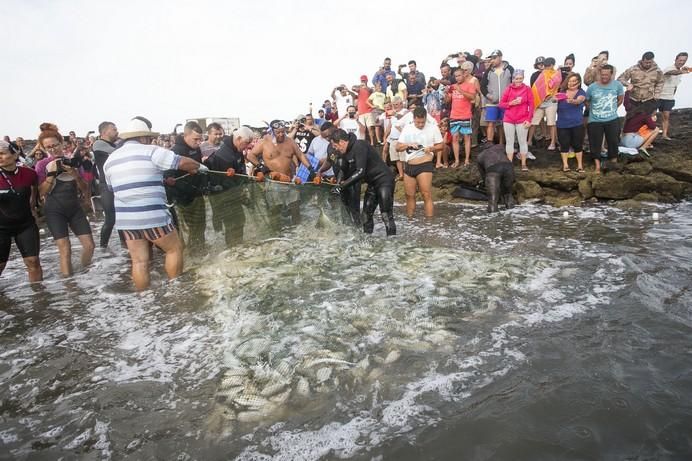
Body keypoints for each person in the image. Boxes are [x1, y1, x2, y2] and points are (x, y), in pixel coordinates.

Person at [104, 116, 207, 290]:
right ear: (143, 137)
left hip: (126, 220)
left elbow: (111, 188)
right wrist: (198, 166)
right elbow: (182, 162)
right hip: (152, 216)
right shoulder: (151, 151)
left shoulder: (110, 160)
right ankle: (176, 289)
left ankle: (144, 298)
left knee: (139, 261)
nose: (150, 140)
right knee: (174, 249)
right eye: (149, 138)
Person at [35, 125, 94, 276]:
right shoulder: (42, 165)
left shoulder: (71, 161)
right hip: (54, 209)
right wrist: (51, 175)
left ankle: (84, 273)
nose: (53, 149)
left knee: (90, 246)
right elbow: (40, 193)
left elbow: (85, 188)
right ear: (43, 148)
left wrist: (75, 174)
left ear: (62, 143)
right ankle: (70, 286)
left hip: (74, 208)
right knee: (65, 249)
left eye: (55, 145)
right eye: (48, 147)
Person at [248, 120, 314, 227]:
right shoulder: (265, 141)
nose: (281, 134)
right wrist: (263, 168)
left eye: (283, 132)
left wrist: (311, 169)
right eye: (278, 132)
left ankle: (297, 232)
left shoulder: (290, 141)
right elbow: (251, 156)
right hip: (273, 182)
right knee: (275, 211)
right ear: (272, 132)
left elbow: (301, 155)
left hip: (290, 181)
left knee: (295, 209)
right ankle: (276, 234)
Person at [329, 129, 396, 236]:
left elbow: (360, 172)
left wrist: (342, 187)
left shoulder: (359, 145)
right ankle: (367, 241)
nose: (334, 148)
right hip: (372, 183)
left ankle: (392, 245)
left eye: (335, 145)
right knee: (365, 215)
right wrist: (337, 184)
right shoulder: (345, 151)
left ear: (341, 142)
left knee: (386, 215)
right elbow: (343, 169)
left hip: (384, 180)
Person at [204, 127, 254, 247]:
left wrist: (246, 181)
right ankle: (233, 248)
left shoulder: (236, 150)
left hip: (234, 193)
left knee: (240, 221)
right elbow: (221, 181)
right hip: (224, 196)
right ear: (238, 139)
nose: (247, 146)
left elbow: (241, 170)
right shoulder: (223, 154)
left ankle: (238, 245)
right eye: (246, 143)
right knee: (232, 223)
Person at [0, 140, 42, 282]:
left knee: (33, 262)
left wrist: (35, 210)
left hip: (25, 225)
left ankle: (40, 297)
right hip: (1, 228)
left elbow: (35, 194)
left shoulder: (29, 174)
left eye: (2, 153)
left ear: (15, 154)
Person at [396, 107, 443, 218]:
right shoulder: (408, 128)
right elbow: (398, 147)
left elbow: (441, 145)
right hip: (409, 165)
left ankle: (430, 224)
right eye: (418, 122)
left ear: (426, 118)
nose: (421, 124)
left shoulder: (433, 128)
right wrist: (408, 145)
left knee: (426, 194)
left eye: (423, 122)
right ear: (413, 119)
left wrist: (431, 149)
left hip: (424, 165)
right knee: (409, 195)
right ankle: (410, 220)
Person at [168, 121, 207, 251]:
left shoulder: (197, 149)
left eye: (200, 139)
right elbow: (169, 177)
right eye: (195, 139)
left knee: (200, 225)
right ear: (186, 135)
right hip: (182, 198)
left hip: (197, 193)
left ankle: (199, 249)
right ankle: (190, 253)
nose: (198, 142)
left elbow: (199, 166)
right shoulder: (175, 151)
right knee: (187, 228)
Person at [586, 64, 625, 174]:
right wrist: (595, 110)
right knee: (595, 143)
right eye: (602, 74)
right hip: (595, 120)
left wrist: (611, 109)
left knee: (613, 141)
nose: (604, 77)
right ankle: (597, 167)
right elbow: (587, 101)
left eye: (606, 75)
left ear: (611, 74)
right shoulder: (592, 87)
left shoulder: (617, 85)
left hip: (612, 119)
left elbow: (620, 99)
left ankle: (613, 163)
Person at [498, 69, 534, 171]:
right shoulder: (508, 89)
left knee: (523, 141)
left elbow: (531, 105)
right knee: (509, 141)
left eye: (520, 78)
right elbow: (501, 104)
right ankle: (509, 164)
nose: (518, 80)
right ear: (513, 79)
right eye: (516, 78)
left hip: (522, 119)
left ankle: (523, 164)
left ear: (523, 78)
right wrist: (511, 103)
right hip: (509, 119)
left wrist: (529, 119)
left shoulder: (527, 89)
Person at [446, 64, 477, 167]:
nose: (457, 78)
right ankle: (457, 160)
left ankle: (467, 160)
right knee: (454, 138)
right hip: (454, 115)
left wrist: (460, 90)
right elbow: (448, 101)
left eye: (459, 75)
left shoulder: (470, 85)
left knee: (466, 138)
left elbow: (472, 97)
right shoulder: (453, 86)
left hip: (465, 115)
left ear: (464, 74)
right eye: (456, 76)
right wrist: (446, 93)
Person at [480, 50, 513, 144]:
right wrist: (489, 96)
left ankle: (502, 143)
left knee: (503, 124)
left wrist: (510, 97)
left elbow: (514, 84)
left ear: (500, 57)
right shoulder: (488, 71)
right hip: (491, 102)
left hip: (505, 102)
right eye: (491, 58)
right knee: (491, 122)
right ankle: (489, 143)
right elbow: (482, 86)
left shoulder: (509, 69)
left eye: (494, 58)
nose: (492, 60)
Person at [529, 57, 562, 151]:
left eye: (547, 65)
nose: (545, 67)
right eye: (545, 65)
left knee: (551, 122)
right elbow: (534, 88)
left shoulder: (557, 74)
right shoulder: (540, 74)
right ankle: (529, 141)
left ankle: (552, 143)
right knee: (534, 122)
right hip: (540, 101)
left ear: (552, 65)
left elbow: (556, 86)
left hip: (551, 101)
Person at [556, 73, 587, 172]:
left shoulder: (581, 92)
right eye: (570, 81)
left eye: (574, 81)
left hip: (577, 123)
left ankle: (580, 165)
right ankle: (565, 165)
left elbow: (579, 100)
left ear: (578, 82)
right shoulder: (561, 92)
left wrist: (572, 101)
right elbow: (553, 100)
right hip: (562, 124)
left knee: (578, 144)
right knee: (564, 144)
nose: (571, 83)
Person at [659, 52, 689, 140]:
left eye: (684, 60)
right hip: (658, 96)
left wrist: (673, 94)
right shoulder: (670, 68)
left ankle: (664, 135)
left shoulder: (680, 71)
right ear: (676, 59)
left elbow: (675, 86)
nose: (682, 62)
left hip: (669, 97)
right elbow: (671, 72)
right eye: (680, 60)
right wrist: (681, 71)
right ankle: (648, 133)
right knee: (652, 115)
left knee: (666, 116)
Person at [477, 143, 515, 213]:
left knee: (493, 200)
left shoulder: (480, 156)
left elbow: (484, 175)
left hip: (493, 169)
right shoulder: (500, 147)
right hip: (509, 167)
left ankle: (493, 221)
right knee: (508, 194)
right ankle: (512, 215)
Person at [383, 96, 409, 181]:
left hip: (401, 138)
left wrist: (395, 114)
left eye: (396, 104)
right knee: (396, 158)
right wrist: (385, 136)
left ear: (401, 103)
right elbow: (390, 125)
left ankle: (406, 174)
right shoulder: (392, 113)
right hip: (393, 138)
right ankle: (401, 174)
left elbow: (405, 119)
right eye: (393, 104)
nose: (395, 106)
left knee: (403, 158)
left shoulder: (405, 111)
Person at [352, 75, 376, 145]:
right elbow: (353, 88)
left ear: (366, 80)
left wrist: (365, 87)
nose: (363, 81)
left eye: (364, 80)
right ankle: (363, 142)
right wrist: (360, 86)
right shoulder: (359, 89)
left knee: (370, 127)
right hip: (361, 112)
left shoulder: (369, 88)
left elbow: (372, 90)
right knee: (362, 128)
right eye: (362, 80)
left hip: (368, 110)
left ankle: (372, 142)